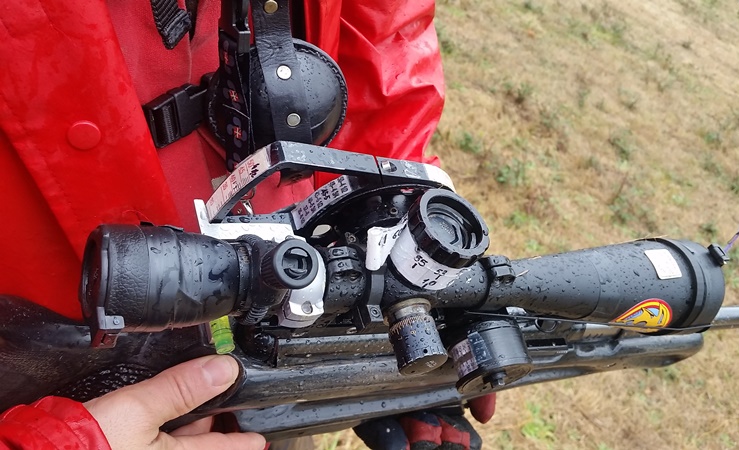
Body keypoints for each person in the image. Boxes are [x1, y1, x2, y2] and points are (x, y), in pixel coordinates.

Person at [0, 1, 493, 449]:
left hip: (292, 290)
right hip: (58, 343)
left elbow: (385, 34)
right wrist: (56, 441)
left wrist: (397, 230)